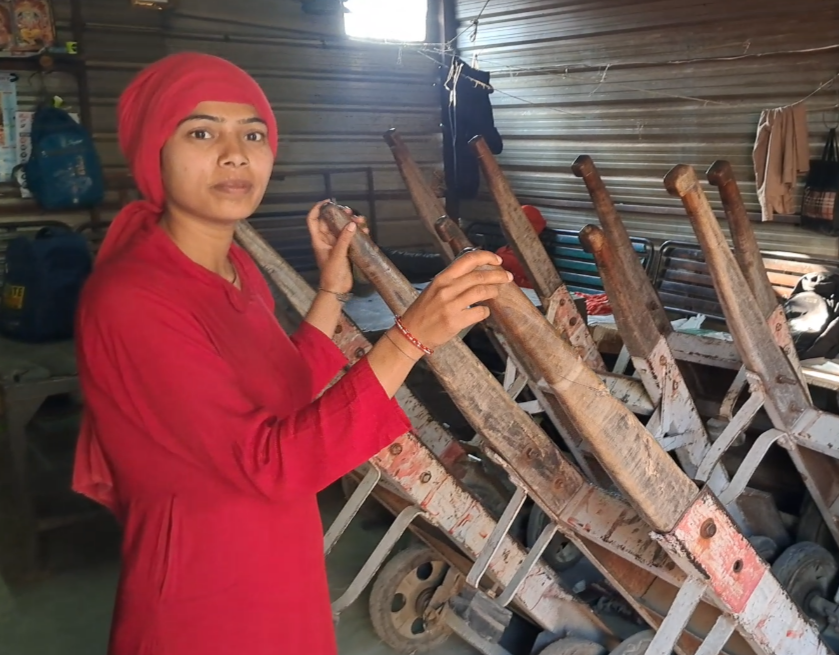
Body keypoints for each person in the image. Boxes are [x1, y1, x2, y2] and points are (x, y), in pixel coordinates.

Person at [71, 52, 513, 655]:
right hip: (203, 596)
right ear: (156, 152)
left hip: (278, 558)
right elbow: (273, 461)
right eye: (202, 132)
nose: (235, 154)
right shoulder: (133, 300)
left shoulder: (234, 267)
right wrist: (408, 338)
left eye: (252, 134)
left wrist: (331, 291)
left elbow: (283, 385)